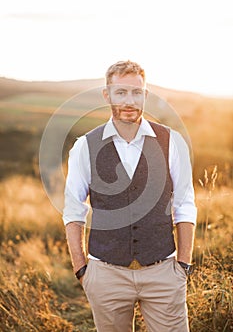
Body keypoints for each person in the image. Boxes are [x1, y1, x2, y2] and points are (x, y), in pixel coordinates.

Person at [63, 60, 197, 332]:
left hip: (164, 272)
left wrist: (182, 265)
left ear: (145, 95)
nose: (129, 101)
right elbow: (73, 212)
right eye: (121, 92)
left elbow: (185, 206)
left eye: (136, 93)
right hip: (106, 274)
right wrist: (82, 271)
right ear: (107, 95)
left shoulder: (172, 142)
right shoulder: (84, 147)